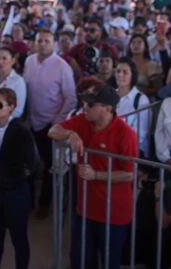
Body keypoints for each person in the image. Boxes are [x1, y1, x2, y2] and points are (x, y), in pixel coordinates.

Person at [48, 85, 137, 269]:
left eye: (91, 104)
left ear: (107, 108)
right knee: (79, 260)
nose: (85, 107)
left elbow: (128, 174)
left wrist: (96, 175)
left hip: (114, 214)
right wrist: (70, 133)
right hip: (85, 209)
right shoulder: (83, 120)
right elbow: (52, 131)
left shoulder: (126, 134)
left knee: (109, 262)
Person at [0, 87, 38, 269]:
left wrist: (16, 177)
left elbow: (33, 161)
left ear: (11, 107)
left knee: (18, 237)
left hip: (15, 192)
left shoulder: (21, 130)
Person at [23, 28, 76, 219]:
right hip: (31, 121)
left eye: (47, 41)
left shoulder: (62, 66)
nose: (43, 44)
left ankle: (45, 203)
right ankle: (27, 201)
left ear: (53, 43)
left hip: (51, 124)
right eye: (40, 41)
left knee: (48, 165)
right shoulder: (29, 61)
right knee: (29, 162)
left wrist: (57, 121)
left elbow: (70, 98)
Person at [114, 56, 151, 157]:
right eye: (118, 71)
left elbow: (140, 134)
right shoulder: (110, 95)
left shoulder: (140, 99)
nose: (120, 75)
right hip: (111, 148)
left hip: (131, 150)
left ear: (132, 76)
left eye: (125, 72)